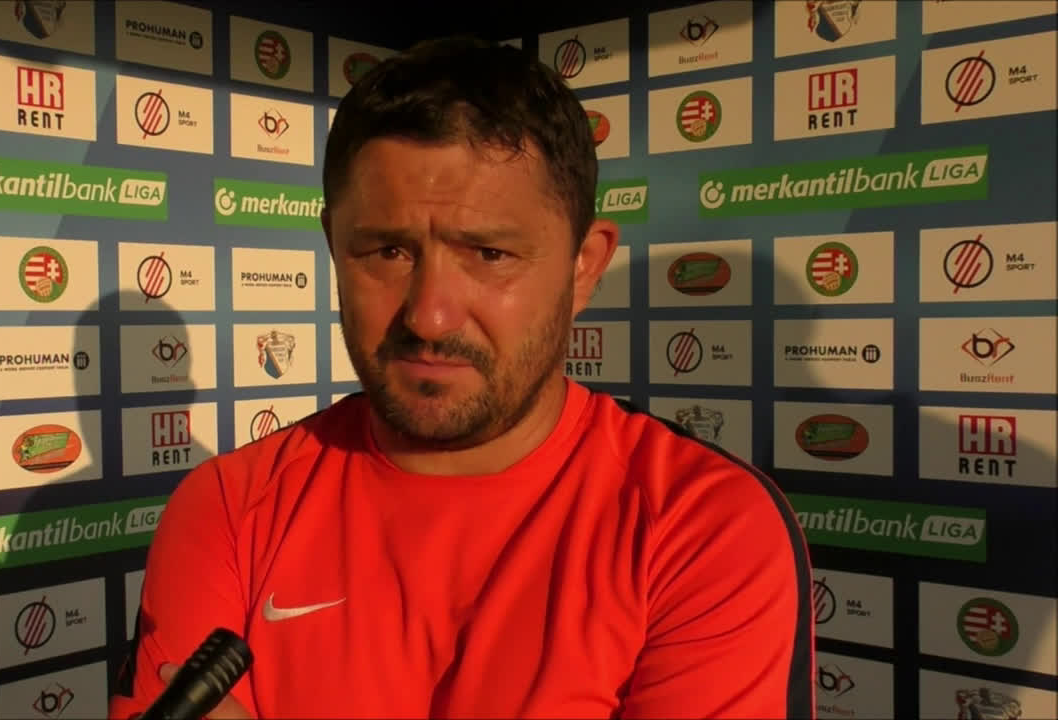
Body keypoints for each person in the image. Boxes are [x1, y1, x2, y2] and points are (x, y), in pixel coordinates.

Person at [110, 35, 815, 719]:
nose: (430, 314)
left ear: (585, 266)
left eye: (488, 254)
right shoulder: (228, 510)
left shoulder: (704, 526)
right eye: (387, 251)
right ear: (333, 245)